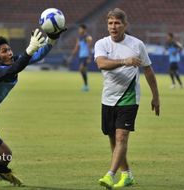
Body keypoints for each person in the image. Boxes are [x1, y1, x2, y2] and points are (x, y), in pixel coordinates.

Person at [0, 28, 66, 190]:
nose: (10, 53)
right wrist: (29, 50)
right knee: (5, 154)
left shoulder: (11, 63)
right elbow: (14, 69)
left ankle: (2, 171)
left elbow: (35, 57)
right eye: (4, 51)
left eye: (9, 49)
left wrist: (52, 38)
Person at [94, 8, 160, 189]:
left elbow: (148, 70)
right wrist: (125, 61)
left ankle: (110, 175)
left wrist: (156, 96)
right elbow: (101, 63)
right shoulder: (101, 43)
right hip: (108, 98)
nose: (113, 27)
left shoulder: (137, 45)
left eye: (117, 23)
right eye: (110, 23)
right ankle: (127, 174)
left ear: (125, 25)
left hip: (129, 99)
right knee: (113, 140)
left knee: (121, 138)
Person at [70, 24, 93, 91]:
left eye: (80, 29)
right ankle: (86, 86)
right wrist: (72, 54)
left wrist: (89, 57)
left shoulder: (87, 37)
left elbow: (90, 47)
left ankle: (86, 85)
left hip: (86, 56)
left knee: (81, 69)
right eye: (79, 29)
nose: (79, 30)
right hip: (81, 56)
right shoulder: (79, 37)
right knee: (82, 70)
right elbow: (77, 47)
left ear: (84, 29)